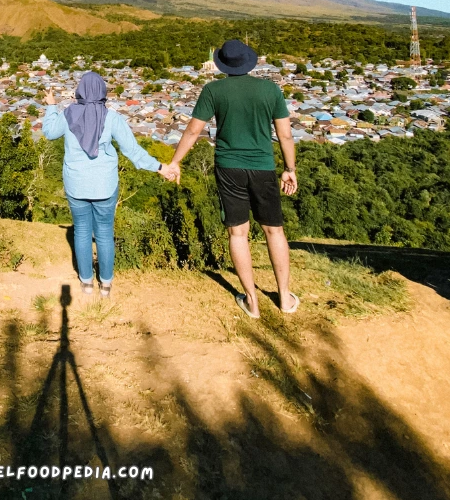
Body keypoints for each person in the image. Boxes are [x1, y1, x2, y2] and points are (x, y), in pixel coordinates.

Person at [167, 40, 299, 318]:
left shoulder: (213, 90)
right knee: (274, 230)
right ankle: (285, 299)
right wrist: (289, 168)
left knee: (238, 232)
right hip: (263, 166)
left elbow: (193, 132)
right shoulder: (270, 89)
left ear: (221, 64)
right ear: (249, 62)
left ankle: (252, 300)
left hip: (228, 167)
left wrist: (176, 162)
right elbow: (285, 135)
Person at [43, 70, 177, 297]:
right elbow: (133, 151)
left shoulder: (67, 115)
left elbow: (49, 132)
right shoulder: (112, 117)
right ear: (103, 92)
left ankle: (86, 283)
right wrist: (161, 167)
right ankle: (105, 285)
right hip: (105, 186)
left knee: (82, 231)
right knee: (104, 233)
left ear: (80, 91)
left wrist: (51, 105)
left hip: (76, 185)